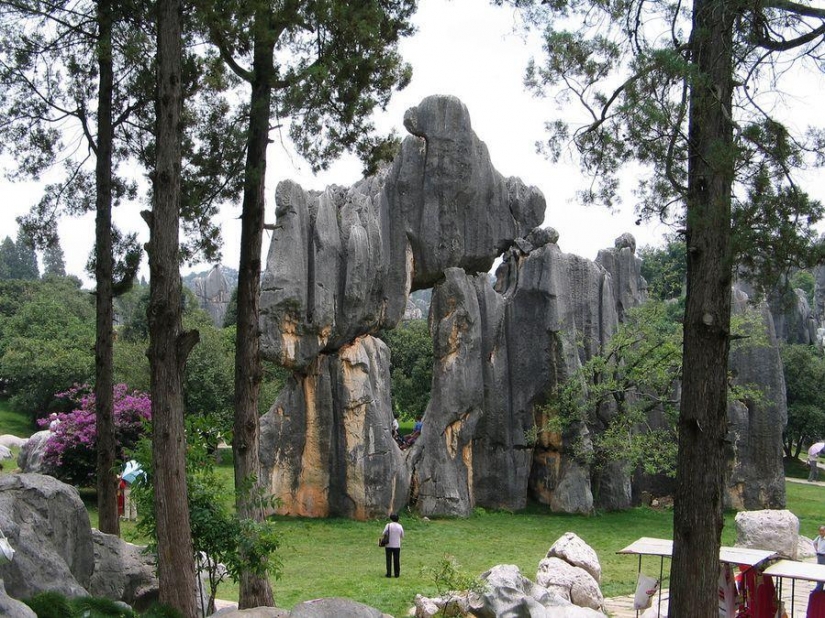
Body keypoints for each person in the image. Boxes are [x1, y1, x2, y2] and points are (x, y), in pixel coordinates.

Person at [382, 512, 404, 578]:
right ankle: (397, 574)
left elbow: (383, 533)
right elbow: (402, 535)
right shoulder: (400, 526)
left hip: (388, 545)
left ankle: (388, 573)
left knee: (388, 559)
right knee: (396, 560)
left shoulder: (388, 525)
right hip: (397, 545)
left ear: (391, 518)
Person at [814, 526, 825, 591]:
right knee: (819, 571)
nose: (821, 532)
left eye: (822, 531)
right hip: (819, 555)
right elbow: (814, 543)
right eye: (820, 531)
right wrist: (817, 550)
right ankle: (819, 586)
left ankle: (820, 587)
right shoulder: (818, 537)